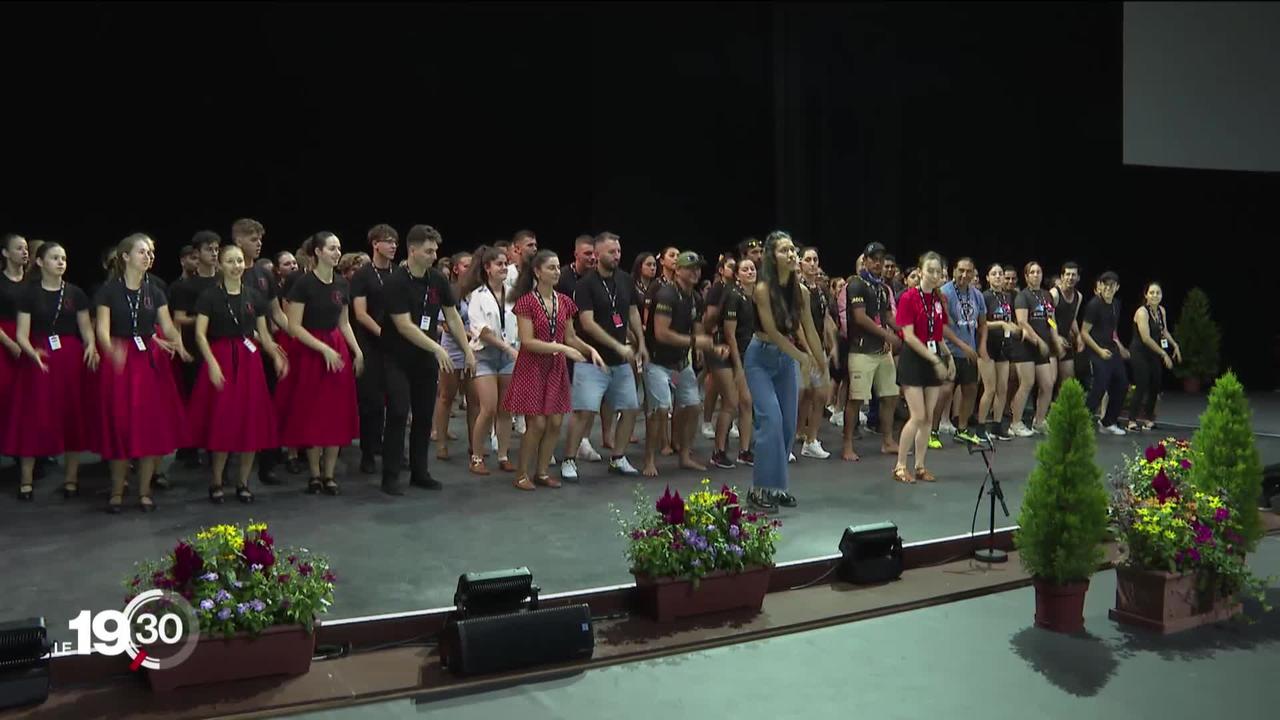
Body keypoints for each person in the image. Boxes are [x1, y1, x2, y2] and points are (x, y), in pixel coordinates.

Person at [94, 233, 192, 513]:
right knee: (121, 427)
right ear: (125, 257)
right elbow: (102, 328)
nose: (148, 256)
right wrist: (110, 349)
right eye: (142, 251)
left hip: (150, 362)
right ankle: (116, 490)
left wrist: (178, 344)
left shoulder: (155, 291)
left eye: (150, 252)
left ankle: (144, 491)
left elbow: (168, 326)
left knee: (149, 427)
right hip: (122, 363)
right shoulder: (109, 290)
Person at [188, 244, 288, 503]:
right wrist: (211, 363)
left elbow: (264, 334)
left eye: (240, 261)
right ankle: (217, 480)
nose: (236, 266)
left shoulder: (254, 296)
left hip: (249, 360)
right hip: (221, 355)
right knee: (222, 421)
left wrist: (276, 355)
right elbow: (200, 334)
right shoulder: (210, 296)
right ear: (221, 265)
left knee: (250, 422)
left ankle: (243, 482)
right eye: (230, 261)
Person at [381, 225, 473, 494]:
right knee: (398, 412)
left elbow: (452, 315)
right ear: (412, 250)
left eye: (435, 250)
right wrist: (438, 348)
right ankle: (390, 475)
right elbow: (404, 325)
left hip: (424, 359)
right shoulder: (396, 281)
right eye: (429, 250)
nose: (434, 255)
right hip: (396, 357)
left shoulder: (436, 279)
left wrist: (466, 349)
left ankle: (420, 472)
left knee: (424, 415)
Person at [1, 242, 98, 500]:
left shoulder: (75, 293)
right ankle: (26, 481)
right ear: (41, 262)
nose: (61, 262)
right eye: (55, 258)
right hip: (38, 357)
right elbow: (21, 334)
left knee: (72, 417)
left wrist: (91, 345)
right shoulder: (28, 294)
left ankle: (71, 479)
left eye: (64, 258)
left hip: (70, 358)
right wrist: (32, 354)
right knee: (32, 418)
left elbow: (86, 328)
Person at [275, 231, 364, 495]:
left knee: (335, 413)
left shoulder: (341, 284)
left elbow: (344, 322)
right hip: (312, 351)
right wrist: (322, 348)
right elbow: (294, 326)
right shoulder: (303, 284)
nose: (337, 253)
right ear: (318, 252)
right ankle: (314, 473)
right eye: (332, 248)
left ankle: (329, 474)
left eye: (339, 248)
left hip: (336, 348)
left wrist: (357, 351)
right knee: (313, 413)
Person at [506, 250, 604, 490]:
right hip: (532, 367)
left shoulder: (565, 302)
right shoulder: (526, 302)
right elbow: (527, 341)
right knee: (537, 424)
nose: (557, 271)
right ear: (538, 272)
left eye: (558, 267)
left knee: (555, 423)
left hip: (555, 368)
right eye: (551, 267)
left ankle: (541, 472)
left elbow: (570, 337)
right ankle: (521, 474)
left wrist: (590, 350)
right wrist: (561, 347)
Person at [744, 232, 821, 509]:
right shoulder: (762, 289)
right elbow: (774, 333)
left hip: (785, 361)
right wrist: (801, 355)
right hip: (760, 358)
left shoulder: (801, 291)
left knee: (788, 425)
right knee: (771, 421)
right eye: (784, 251)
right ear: (771, 257)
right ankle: (759, 490)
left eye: (793, 250)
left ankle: (777, 487)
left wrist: (821, 362)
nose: (791, 255)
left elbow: (810, 329)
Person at [561, 233, 646, 479]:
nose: (617, 255)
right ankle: (569, 459)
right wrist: (617, 346)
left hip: (620, 362)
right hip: (592, 360)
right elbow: (586, 324)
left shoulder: (625, 279)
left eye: (618, 251)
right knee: (584, 411)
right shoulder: (585, 284)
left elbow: (632, 312)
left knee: (630, 408)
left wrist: (640, 343)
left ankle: (618, 457)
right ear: (597, 255)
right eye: (611, 252)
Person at [643, 251, 727, 477]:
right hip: (658, 361)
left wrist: (701, 346)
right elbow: (661, 333)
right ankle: (649, 459)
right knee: (660, 410)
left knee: (692, 406)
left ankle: (685, 455)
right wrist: (694, 341)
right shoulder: (666, 295)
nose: (696, 272)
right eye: (690, 268)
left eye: (698, 268)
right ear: (677, 270)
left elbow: (697, 324)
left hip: (681, 362)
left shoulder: (696, 298)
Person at [232, 218, 293, 485]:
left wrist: (296, 332)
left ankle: (267, 464)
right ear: (238, 241)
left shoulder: (263, 274)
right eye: (253, 239)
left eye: (260, 239)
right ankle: (224, 468)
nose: (258, 244)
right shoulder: (230, 272)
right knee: (234, 407)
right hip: (237, 348)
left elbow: (276, 311)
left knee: (268, 405)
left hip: (266, 348)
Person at [892, 251, 955, 484]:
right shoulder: (909, 298)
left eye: (938, 271)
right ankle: (900, 466)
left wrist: (948, 358)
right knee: (917, 416)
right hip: (914, 360)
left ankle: (919, 466)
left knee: (928, 418)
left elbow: (937, 335)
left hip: (933, 358)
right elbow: (908, 336)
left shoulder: (938, 300)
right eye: (930, 270)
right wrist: (934, 359)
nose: (935, 275)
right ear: (920, 272)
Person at [841, 242, 902, 461]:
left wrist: (902, 331)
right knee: (856, 399)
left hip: (881, 350)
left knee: (891, 395)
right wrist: (887, 335)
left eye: (881, 259)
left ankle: (887, 441)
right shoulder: (856, 284)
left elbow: (886, 316)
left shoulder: (883, 288)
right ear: (865, 261)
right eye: (873, 258)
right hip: (861, 350)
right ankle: (847, 444)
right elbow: (860, 317)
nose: (878, 263)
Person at [464, 245, 519, 475]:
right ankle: (476, 457)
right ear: (487, 268)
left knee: (506, 409)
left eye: (506, 263)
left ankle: (504, 455)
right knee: (487, 408)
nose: (504, 267)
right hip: (485, 354)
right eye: (499, 264)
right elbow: (483, 331)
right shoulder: (477, 296)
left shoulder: (514, 292)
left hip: (509, 355)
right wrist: (508, 347)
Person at [351, 223, 399, 474]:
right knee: (371, 402)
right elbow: (360, 313)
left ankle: (393, 451)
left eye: (395, 242)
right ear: (375, 244)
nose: (393, 246)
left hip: (396, 347)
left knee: (397, 401)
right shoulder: (363, 275)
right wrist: (384, 334)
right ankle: (368, 452)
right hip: (371, 344)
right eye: (388, 241)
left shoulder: (398, 274)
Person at [935, 258, 984, 443]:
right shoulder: (944, 292)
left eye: (968, 271)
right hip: (948, 350)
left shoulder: (977, 295)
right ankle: (933, 430)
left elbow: (983, 323)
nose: (964, 275)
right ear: (954, 271)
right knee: (945, 390)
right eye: (961, 270)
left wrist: (982, 346)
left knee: (971, 389)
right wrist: (963, 346)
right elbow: (942, 326)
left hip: (969, 352)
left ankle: (962, 429)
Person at [1011, 261, 1062, 436]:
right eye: (1032, 272)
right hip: (1026, 347)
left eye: (1038, 271)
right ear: (1026, 276)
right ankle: (1015, 423)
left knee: (1048, 384)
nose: (1036, 275)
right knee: (1027, 384)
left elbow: (1051, 320)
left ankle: (1039, 421)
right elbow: (1022, 322)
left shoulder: (1047, 296)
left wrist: (1056, 339)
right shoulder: (1022, 296)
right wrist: (1039, 342)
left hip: (1044, 347)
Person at [433, 251, 473, 460]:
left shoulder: (478, 292)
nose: (470, 269)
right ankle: (440, 443)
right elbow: (447, 325)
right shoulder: (450, 291)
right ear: (456, 269)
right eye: (466, 265)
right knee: (447, 397)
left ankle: (474, 445)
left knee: (473, 400)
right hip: (454, 350)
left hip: (475, 350)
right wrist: (471, 335)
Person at [718, 257, 758, 467]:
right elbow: (730, 334)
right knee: (731, 403)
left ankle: (744, 451)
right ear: (737, 275)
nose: (750, 272)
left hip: (750, 355)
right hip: (731, 356)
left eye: (752, 268)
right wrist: (738, 365)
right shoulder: (734, 296)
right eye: (745, 269)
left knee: (746, 403)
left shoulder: (756, 297)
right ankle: (719, 451)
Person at [796, 247, 835, 460]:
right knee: (799, 396)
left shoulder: (820, 291)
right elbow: (798, 324)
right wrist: (809, 350)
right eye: (808, 259)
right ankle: (793, 436)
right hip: (800, 349)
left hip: (818, 347)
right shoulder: (797, 290)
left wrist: (830, 344)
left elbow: (825, 319)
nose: (812, 263)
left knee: (819, 394)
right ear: (800, 263)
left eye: (815, 259)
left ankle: (811, 440)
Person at [1080, 271, 1130, 435]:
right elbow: (1084, 333)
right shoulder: (1094, 305)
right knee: (1099, 387)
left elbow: (1113, 329)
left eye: (1112, 285)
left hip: (1112, 350)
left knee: (1122, 384)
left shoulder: (1116, 304)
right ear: (1100, 286)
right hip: (1097, 351)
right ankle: (1082, 422)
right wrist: (1099, 351)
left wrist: (1120, 346)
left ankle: (1108, 421)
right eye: (1105, 285)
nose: (1108, 288)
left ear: (1117, 287)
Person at [1128, 281, 1181, 431]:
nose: (1155, 295)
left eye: (1158, 293)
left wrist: (1175, 345)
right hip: (1139, 352)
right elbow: (1146, 338)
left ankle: (1148, 418)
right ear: (1146, 295)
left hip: (1154, 352)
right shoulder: (1142, 312)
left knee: (1155, 385)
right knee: (1142, 383)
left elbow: (1164, 331)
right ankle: (1132, 420)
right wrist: (1164, 353)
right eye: (1151, 293)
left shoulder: (1161, 311)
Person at [978, 264, 1016, 441]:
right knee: (990, 388)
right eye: (994, 274)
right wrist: (1000, 325)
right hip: (987, 345)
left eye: (1000, 274)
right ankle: (980, 427)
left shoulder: (1007, 296)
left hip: (1004, 346)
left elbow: (1008, 319)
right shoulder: (984, 297)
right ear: (988, 278)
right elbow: (981, 324)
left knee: (1003, 388)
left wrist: (1014, 328)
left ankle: (997, 425)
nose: (998, 277)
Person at [1, 234, 29, 417]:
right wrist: (10, 343)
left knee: (26, 393)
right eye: (19, 248)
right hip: (5, 336)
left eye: (26, 248)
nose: (24, 252)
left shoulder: (34, 282)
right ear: (5, 253)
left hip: (28, 338)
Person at [1050, 261, 1084, 389]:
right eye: (1067, 274)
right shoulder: (1054, 294)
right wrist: (1056, 337)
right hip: (1050, 339)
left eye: (1073, 275)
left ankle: (1061, 408)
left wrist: (1078, 336)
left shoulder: (1078, 296)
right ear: (1062, 277)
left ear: (1078, 278)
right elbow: (1048, 319)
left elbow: (1072, 319)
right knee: (1050, 381)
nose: (1070, 278)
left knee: (1068, 381)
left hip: (1065, 340)